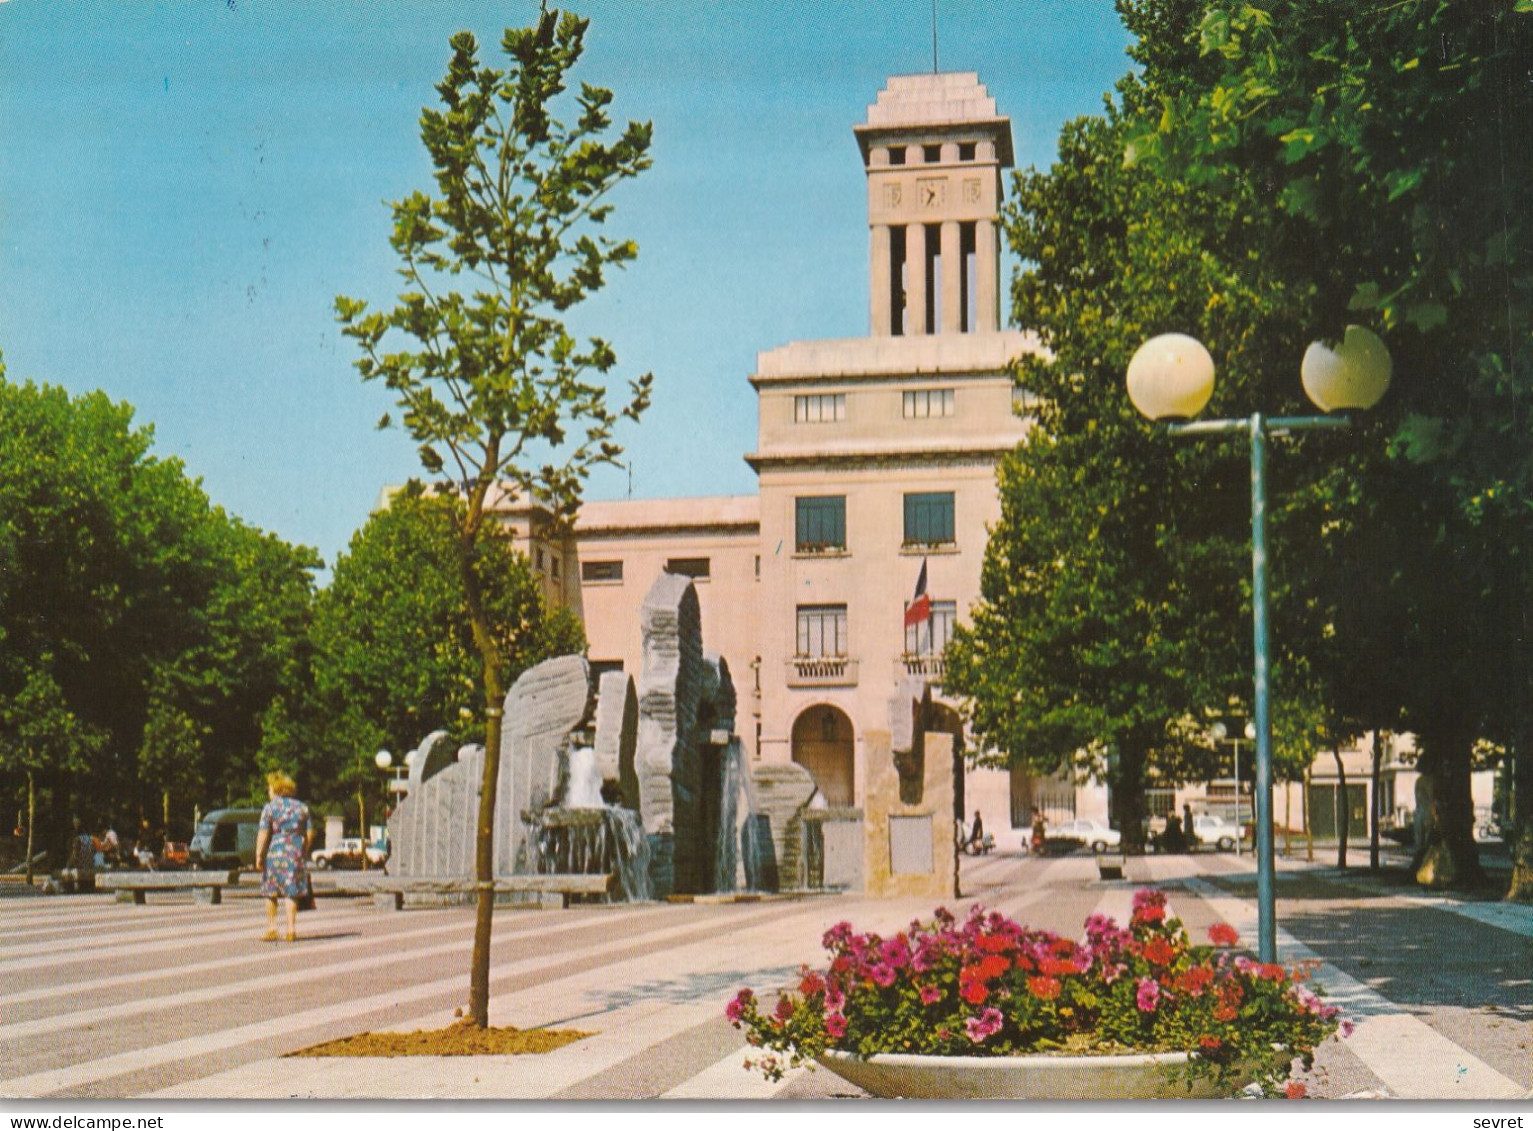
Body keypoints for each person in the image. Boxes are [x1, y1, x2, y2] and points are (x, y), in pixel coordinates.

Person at [254, 771, 314, 942]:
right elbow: (310, 832)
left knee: (270, 890)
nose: (268, 791)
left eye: (269, 788)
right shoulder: (302, 807)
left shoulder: (270, 807)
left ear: (276, 788)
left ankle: (272, 928)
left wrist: (259, 854)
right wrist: (304, 849)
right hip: (295, 852)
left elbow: (264, 833)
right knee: (291, 891)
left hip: (275, 852)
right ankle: (291, 929)